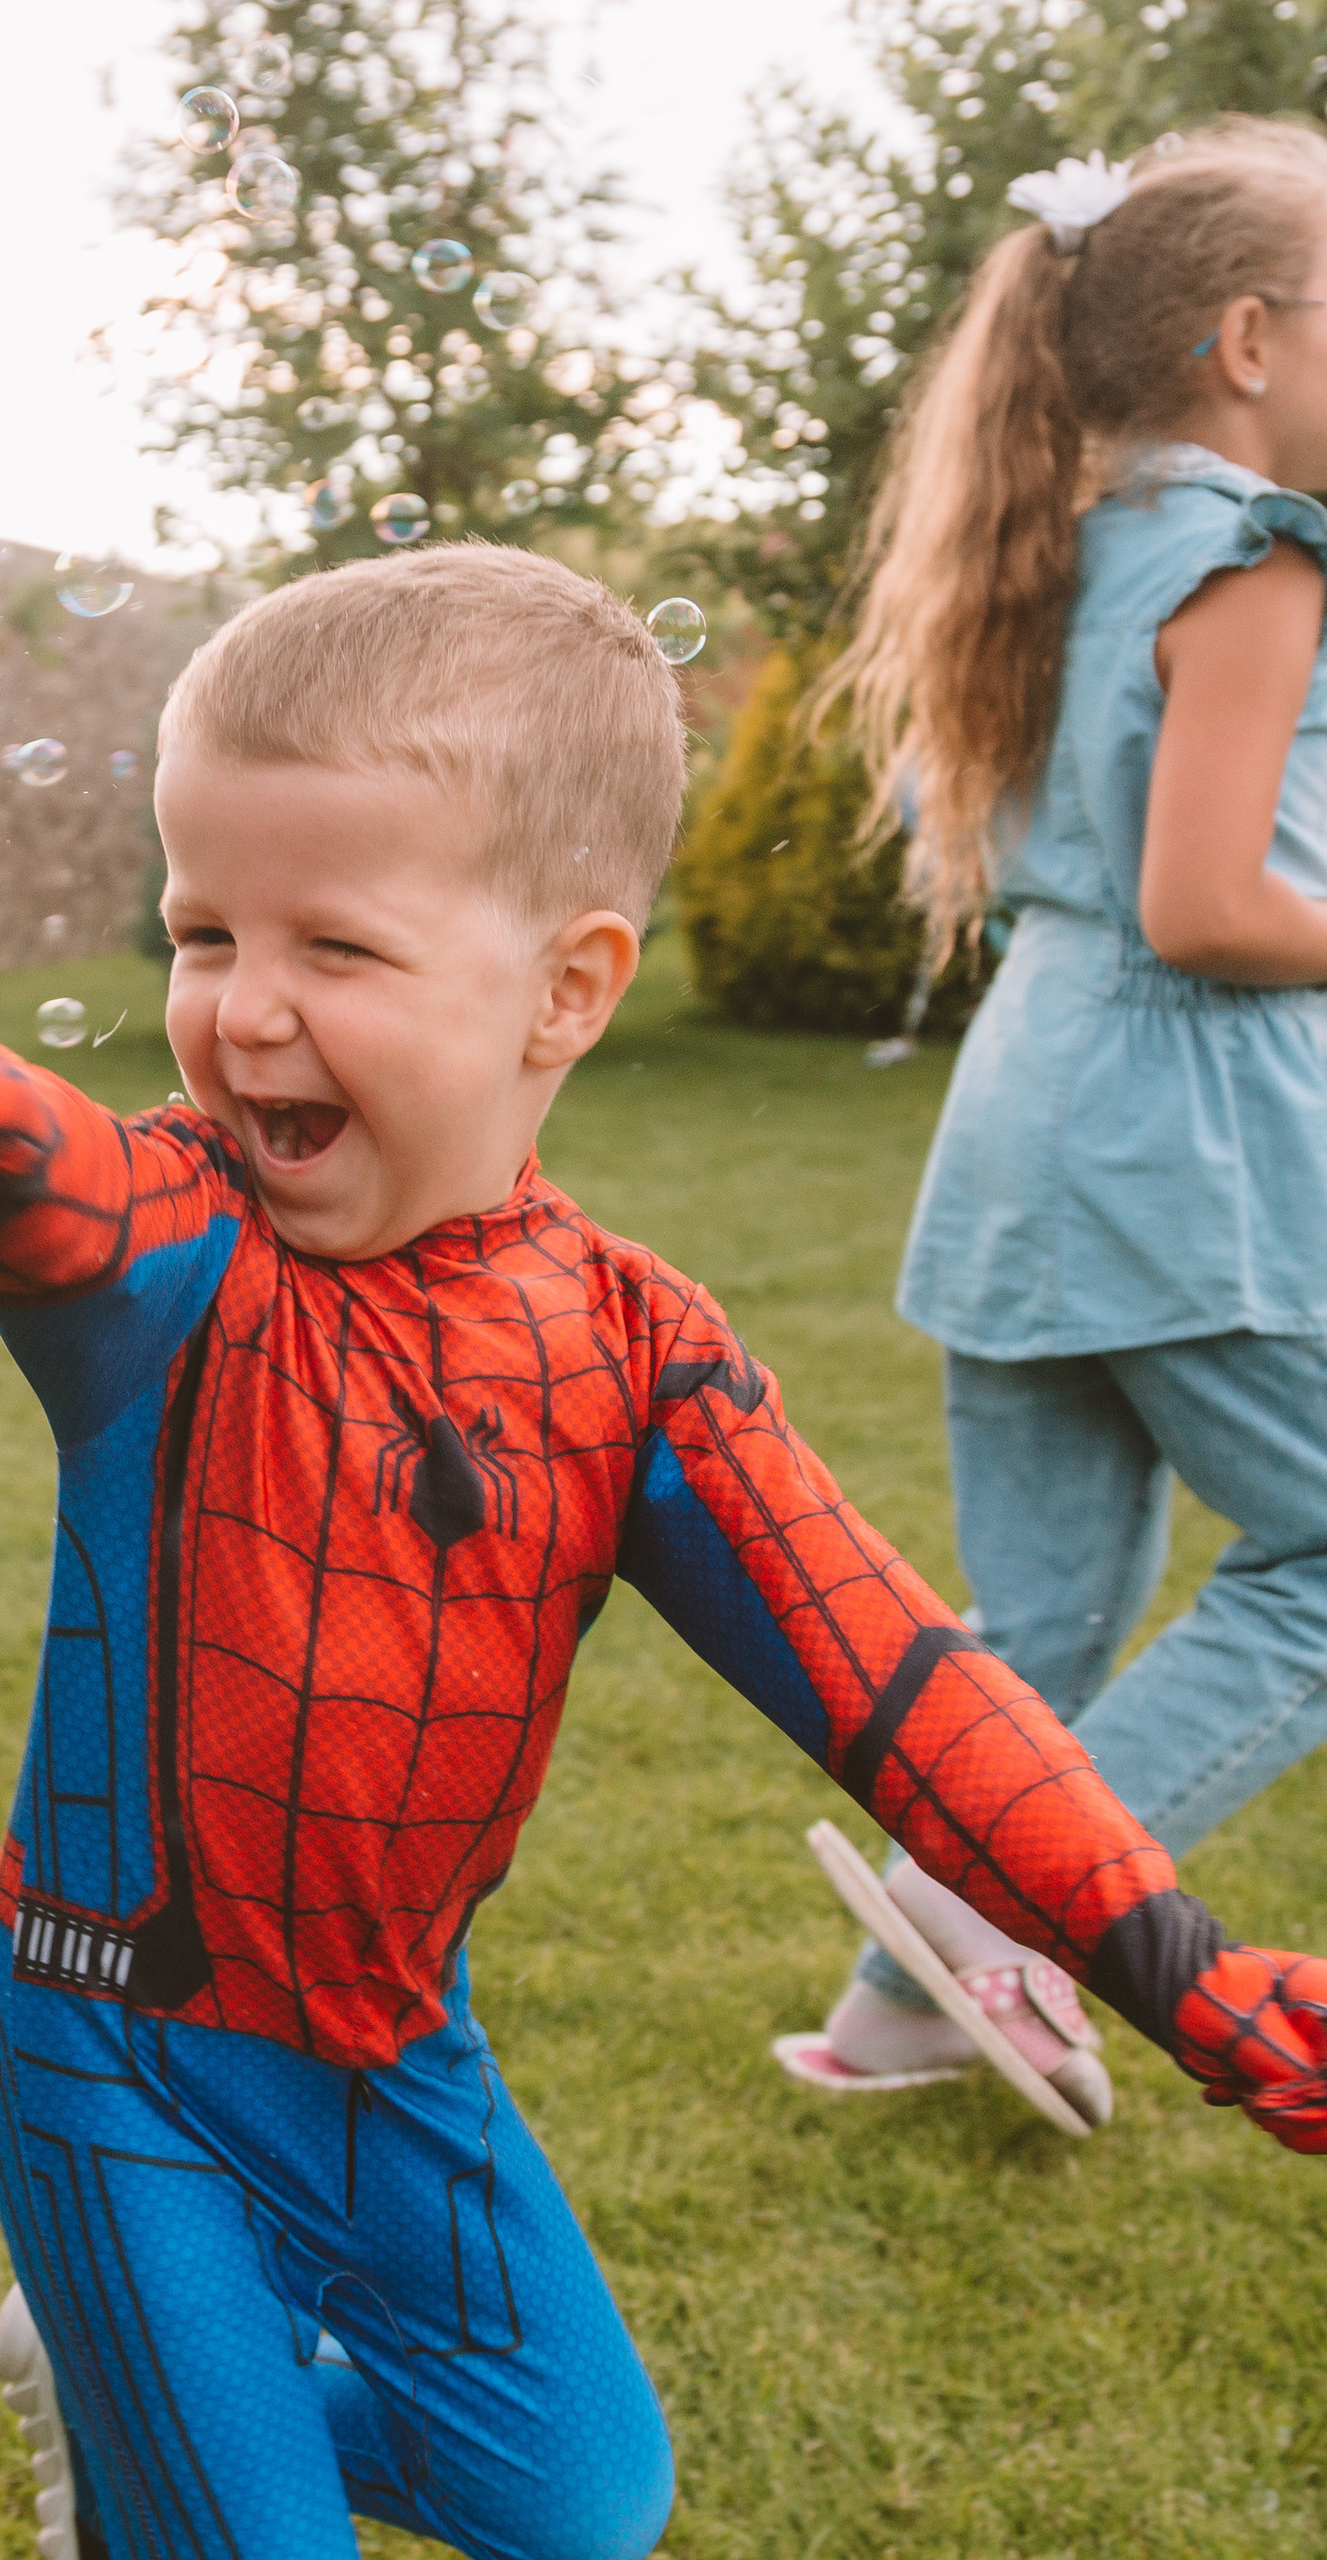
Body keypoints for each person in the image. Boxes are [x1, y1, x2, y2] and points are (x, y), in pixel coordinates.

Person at [0, 541, 1327, 2560]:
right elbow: (51, 1178)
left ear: (565, 984)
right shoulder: (180, 1255)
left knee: (573, 2497)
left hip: (389, 2032)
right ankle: (154, 2436)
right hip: (107, 2020)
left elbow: (896, 1674)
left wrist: (1177, 1967)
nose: (239, 1011)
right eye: (199, 926)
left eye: (333, 943)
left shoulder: (635, 1349)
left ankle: (122, 2389)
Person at [777, 118, 1327, 2116]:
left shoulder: (1039, 550)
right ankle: (1012, 1917)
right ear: (1248, 340)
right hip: (1184, 1146)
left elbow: (1045, 854)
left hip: (1024, 1122)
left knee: (1034, 1623)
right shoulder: (1253, 557)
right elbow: (1203, 904)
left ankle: (898, 2004)